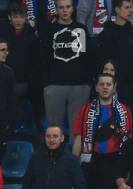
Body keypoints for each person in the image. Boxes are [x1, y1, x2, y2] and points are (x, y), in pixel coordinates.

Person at [39, 0, 92, 134]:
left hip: (79, 86)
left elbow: (87, 57)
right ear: (56, 10)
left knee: (77, 131)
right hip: (54, 85)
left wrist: (87, 83)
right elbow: (43, 59)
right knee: (54, 131)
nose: (64, 10)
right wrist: (47, 84)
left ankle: (74, 156)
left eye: (67, 7)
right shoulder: (48, 30)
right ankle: (56, 156)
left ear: (72, 8)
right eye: (61, 7)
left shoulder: (81, 29)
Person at [73, 73, 132, 189]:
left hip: (115, 160)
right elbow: (79, 138)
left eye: (108, 84)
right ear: (96, 88)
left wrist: (128, 167)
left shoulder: (124, 111)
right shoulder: (85, 110)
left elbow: (128, 140)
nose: (105, 87)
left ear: (114, 88)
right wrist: (73, 164)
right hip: (91, 160)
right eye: (102, 84)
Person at [22, 125, 83, 189]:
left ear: (62, 138)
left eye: (55, 136)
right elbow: (26, 184)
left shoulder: (71, 160)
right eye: (48, 136)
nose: (51, 140)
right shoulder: (35, 158)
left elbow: (80, 186)